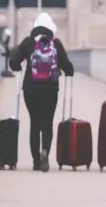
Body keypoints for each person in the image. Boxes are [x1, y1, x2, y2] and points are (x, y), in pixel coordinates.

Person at [9, 12, 74, 172]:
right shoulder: (56, 44)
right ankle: (45, 151)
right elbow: (68, 67)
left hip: (30, 89)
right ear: (51, 28)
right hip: (50, 89)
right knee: (47, 123)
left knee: (34, 123)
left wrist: (19, 67)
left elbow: (13, 62)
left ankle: (36, 162)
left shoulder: (28, 42)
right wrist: (67, 71)